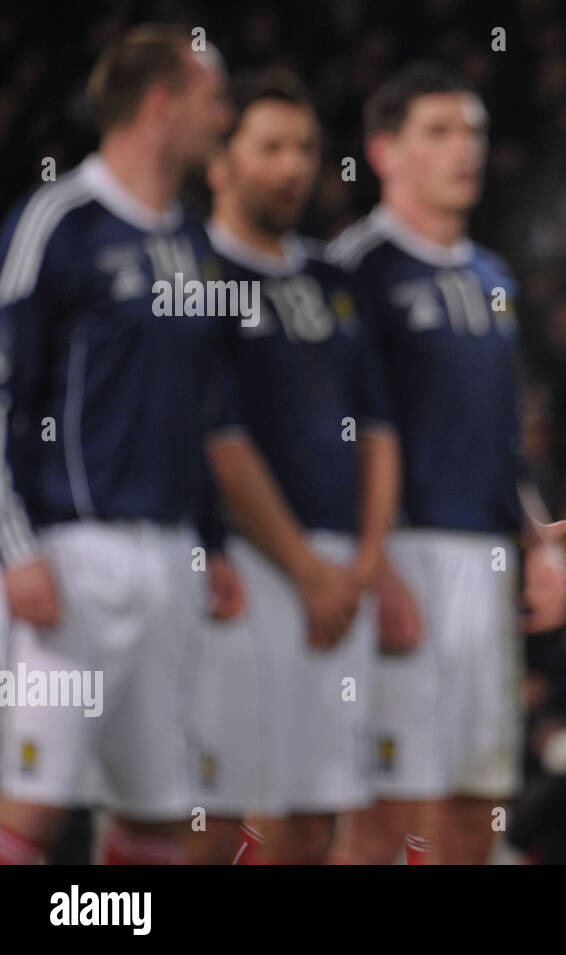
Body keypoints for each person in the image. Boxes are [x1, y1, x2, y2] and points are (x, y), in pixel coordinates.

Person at [326, 62, 566, 865]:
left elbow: (500, 440)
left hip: (483, 564)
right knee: (387, 807)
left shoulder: (492, 278)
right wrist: (373, 567)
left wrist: (537, 540)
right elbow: (332, 436)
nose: (462, 149)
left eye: (471, 131)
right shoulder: (354, 268)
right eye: (438, 132)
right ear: (385, 151)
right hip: (398, 555)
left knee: (475, 807)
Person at [0, 24, 238, 864]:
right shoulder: (59, 222)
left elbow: (195, 411)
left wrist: (211, 542)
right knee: (32, 805)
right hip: (71, 556)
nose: (226, 118)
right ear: (163, 103)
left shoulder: (193, 245)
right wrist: (14, 547)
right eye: (215, 99)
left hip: (169, 557)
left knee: (158, 814)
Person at [191, 69, 400, 865]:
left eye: (306, 148)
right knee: (210, 815)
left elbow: (379, 428)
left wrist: (366, 563)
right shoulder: (192, 275)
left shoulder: (330, 281)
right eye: (270, 146)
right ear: (221, 162)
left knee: (314, 819)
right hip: (237, 566)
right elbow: (217, 435)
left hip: (338, 575)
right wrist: (308, 568)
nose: (293, 166)